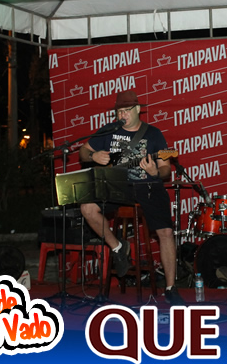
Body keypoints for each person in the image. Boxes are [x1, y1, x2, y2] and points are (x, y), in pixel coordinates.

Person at [79, 90, 184, 305]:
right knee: (87, 207)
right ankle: (118, 247)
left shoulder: (153, 134)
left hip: (147, 186)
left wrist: (156, 171)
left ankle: (171, 288)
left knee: (165, 231)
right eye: (119, 111)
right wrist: (93, 155)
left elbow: (165, 168)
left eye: (127, 110)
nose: (122, 115)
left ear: (137, 110)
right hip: (116, 185)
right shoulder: (108, 131)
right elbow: (82, 151)